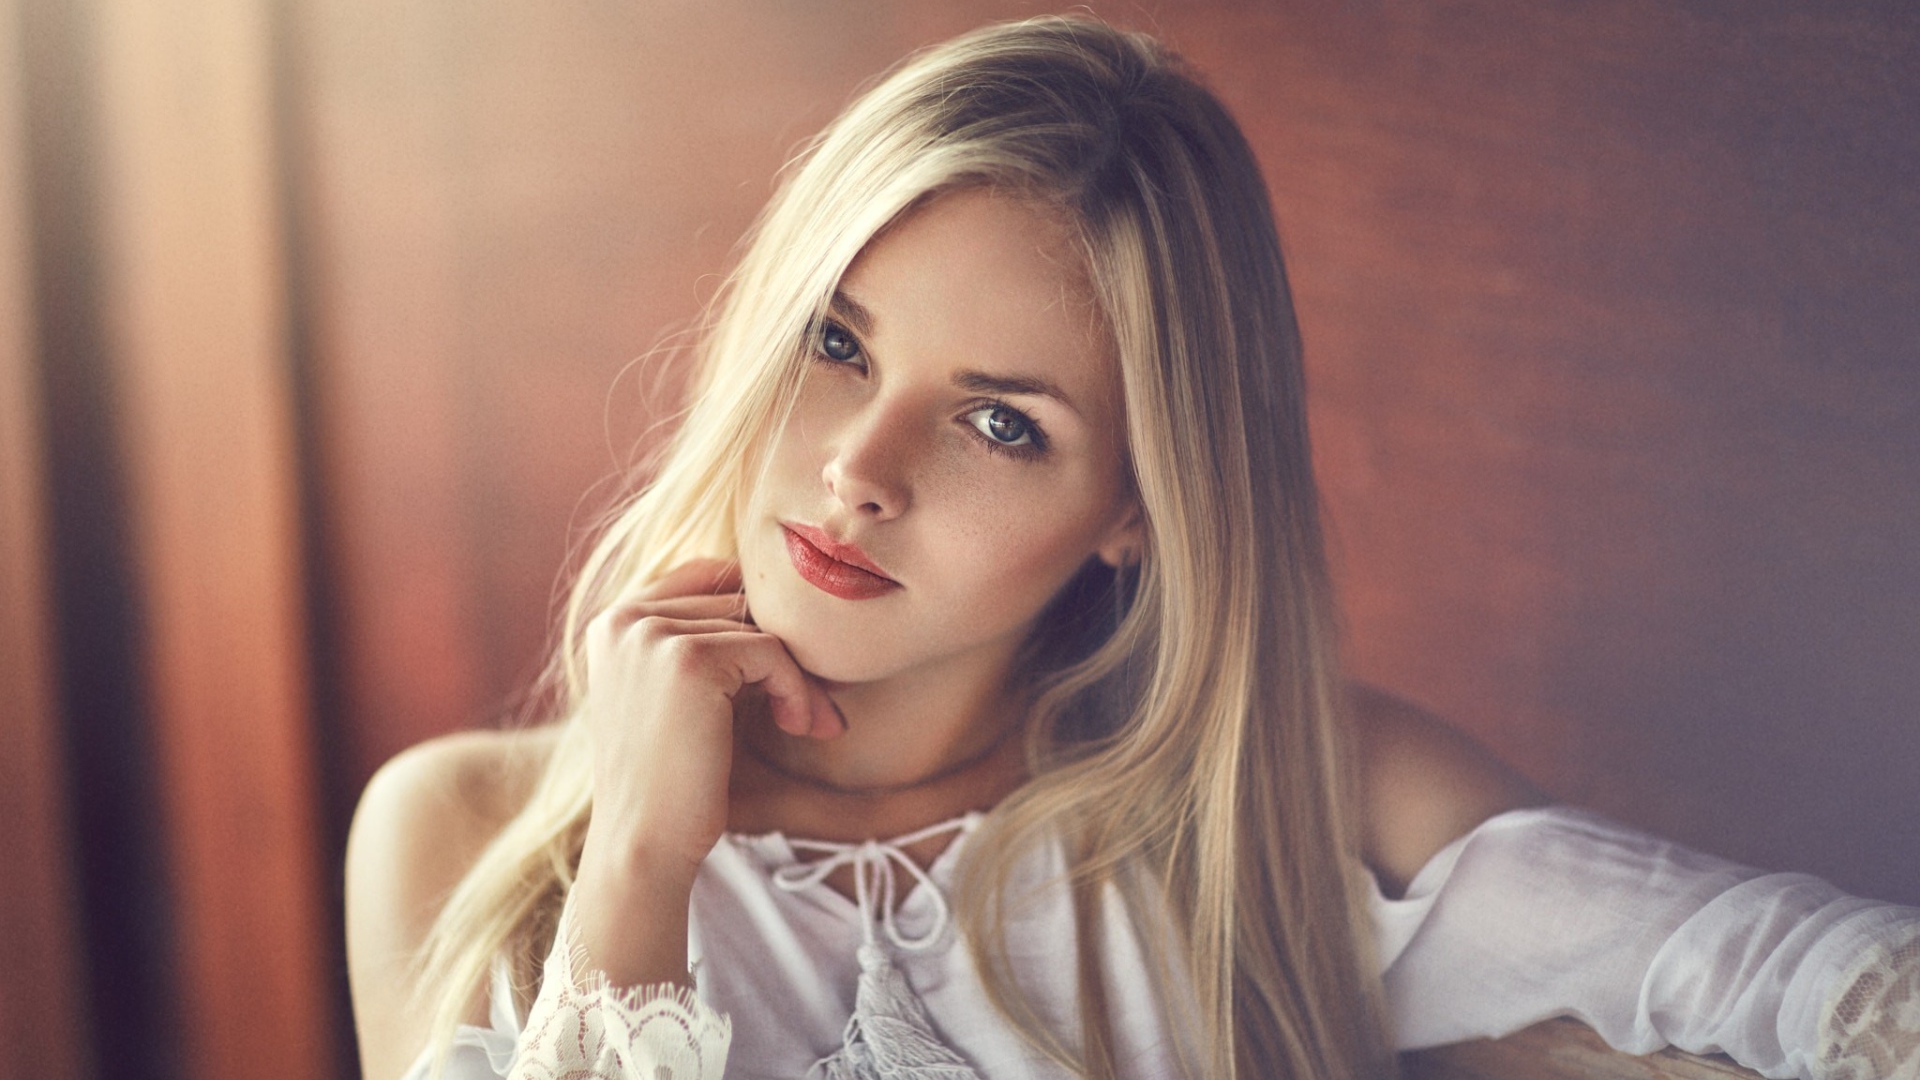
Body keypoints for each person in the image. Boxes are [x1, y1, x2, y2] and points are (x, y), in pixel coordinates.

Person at [343, 16, 1920, 1080]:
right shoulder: (461, 835)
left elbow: (1837, 992)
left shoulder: (1284, 799)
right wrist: (638, 862)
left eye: (1002, 423)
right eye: (837, 342)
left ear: (1139, 511)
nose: (858, 467)